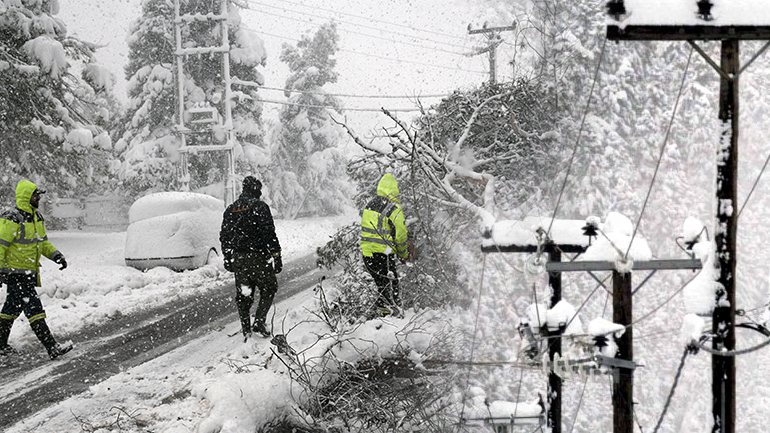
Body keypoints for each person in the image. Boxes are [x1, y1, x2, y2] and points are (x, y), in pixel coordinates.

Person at [0, 180, 72, 360]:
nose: (38, 197)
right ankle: (52, 347)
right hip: (15, 273)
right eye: (35, 195)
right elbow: (0, 246)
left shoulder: (36, 217)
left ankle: (0, 345)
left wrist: (57, 256)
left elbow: (43, 243)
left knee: (11, 309)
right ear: (26, 196)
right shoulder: (11, 217)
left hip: (29, 272)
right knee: (34, 309)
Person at [219, 176, 282, 339]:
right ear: (256, 190)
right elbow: (269, 234)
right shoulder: (260, 207)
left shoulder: (231, 209)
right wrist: (276, 256)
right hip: (258, 257)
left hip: (239, 259)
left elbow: (224, 237)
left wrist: (227, 257)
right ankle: (259, 322)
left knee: (244, 295)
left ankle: (246, 329)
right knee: (269, 287)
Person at [360, 173, 413, 316]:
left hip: (367, 254)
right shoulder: (393, 209)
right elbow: (400, 235)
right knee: (391, 288)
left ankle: (382, 315)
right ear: (394, 190)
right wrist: (404, 253)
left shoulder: (370, 205)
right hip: (383, 255)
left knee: (382, 287)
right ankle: (391, 317)